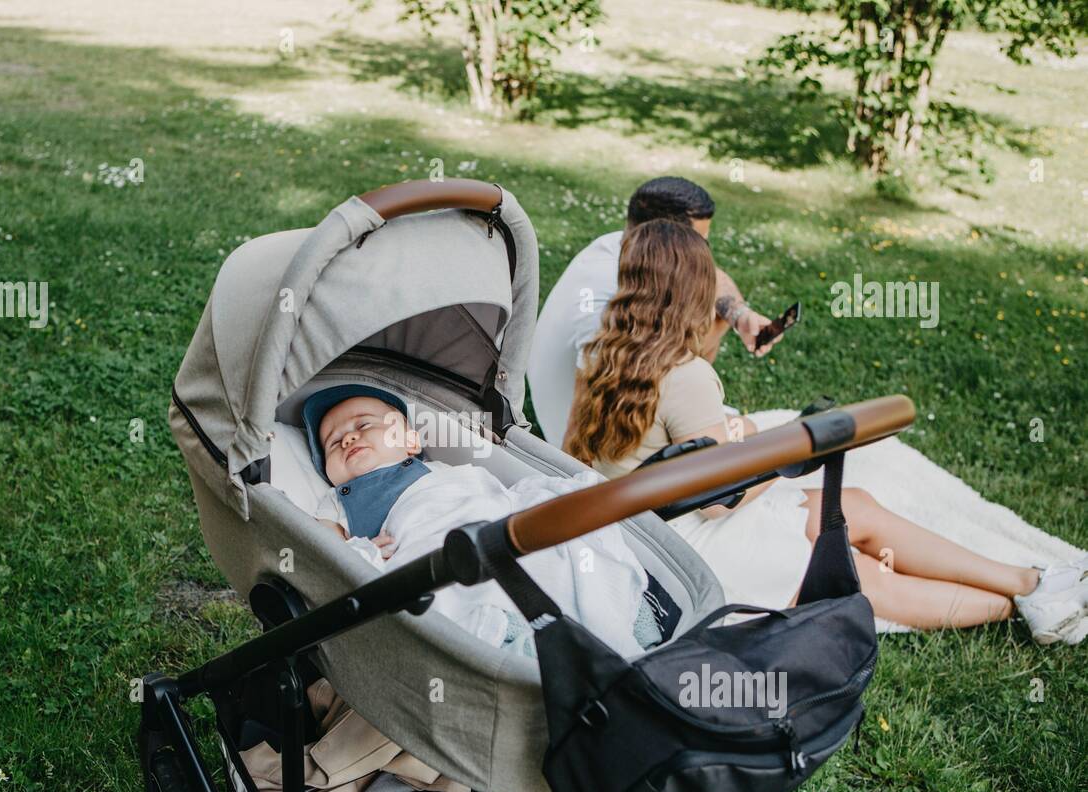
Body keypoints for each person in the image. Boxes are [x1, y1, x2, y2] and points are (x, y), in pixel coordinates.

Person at [562, 219, 1088, 644]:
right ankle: (1025, 605)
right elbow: (720, 499)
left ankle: (1030, 582)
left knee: (852, 504)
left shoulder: (598, 351)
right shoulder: (685, 374)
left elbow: (591, 454)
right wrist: (782, 450)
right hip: (685, 547)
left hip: (636, 526)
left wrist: (738, 435)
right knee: (855, 572)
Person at [301, 384, 662, 658]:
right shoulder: (339, 501)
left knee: (563, 549)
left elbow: (491, 492)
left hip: (495, 522)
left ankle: (620, 624)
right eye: (333, 443)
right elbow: (322, 544)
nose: (348, 437)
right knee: (468, 589)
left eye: (364, 425)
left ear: (410, 441)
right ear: (331, 475)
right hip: (435, 550)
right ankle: (519, 642)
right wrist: (356, 550)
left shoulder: (442, 470)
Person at [528, 176, 775, 447]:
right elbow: (594, 428)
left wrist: (739, 315)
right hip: (607, 439)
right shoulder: (604, 310)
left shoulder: (622, 249)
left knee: (748, 429)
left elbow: (714, 277)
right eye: (700, 242)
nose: (707, 251)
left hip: (611, 431)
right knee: (762, 440)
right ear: (669, 240)